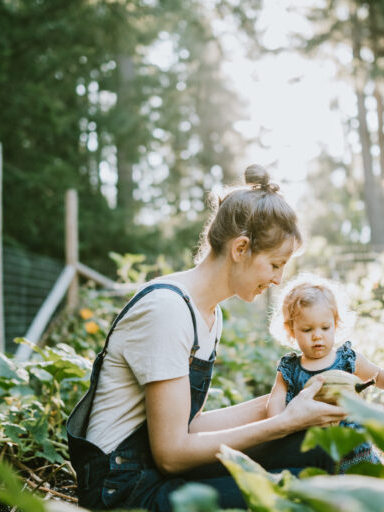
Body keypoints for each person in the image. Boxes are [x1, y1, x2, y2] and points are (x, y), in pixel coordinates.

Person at [66, 165, 348, 511]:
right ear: (241, 248)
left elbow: (189, 425)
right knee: (298, 491)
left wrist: (283, 401)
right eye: (275, 264)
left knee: (318, 447)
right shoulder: (168, 310)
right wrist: (282, 423)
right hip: (124, 490)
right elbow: (171, 453)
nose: (278, 280)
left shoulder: (208, 314)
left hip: (155, 471)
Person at [266, 274, 384, 471]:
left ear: (336, 323)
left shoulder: (346, 359)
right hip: (314, 451)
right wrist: (279, 426)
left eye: (325, 327)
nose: (317, 335)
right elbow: (275, 400)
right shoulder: (290, 368)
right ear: (291, 330)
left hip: (355, 449)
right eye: (307, 330)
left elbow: (376, 374)